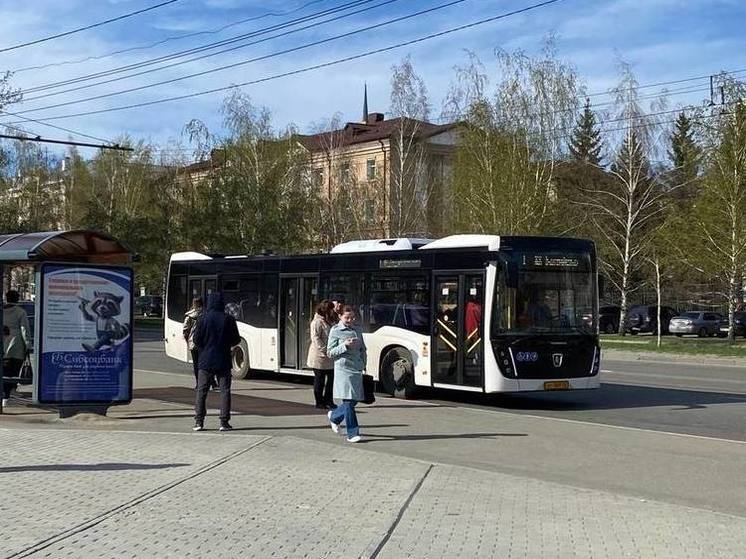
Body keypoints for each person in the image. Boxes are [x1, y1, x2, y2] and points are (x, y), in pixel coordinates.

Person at [192, 292, 241, 432]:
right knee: (225, 391)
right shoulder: (228, 319)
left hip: (205, 360)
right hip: (223, 360)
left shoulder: (202, 318)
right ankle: (224, 422)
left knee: (202, 391)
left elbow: (196, 340)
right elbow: (236, 339)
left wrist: (205, 347)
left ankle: (199, 422)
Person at [326, 305, 366, 443]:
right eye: (346, 317)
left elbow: (363, 349)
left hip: (356, 368)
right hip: (343, 369)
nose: (350, 320)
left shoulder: (358, 330)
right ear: (340, 317)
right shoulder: (335, 331)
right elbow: (330, 352)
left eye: (352, 317)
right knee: (348, 401)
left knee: (354, 400)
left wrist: (363, 363)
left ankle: (335, 416)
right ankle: (352, 433)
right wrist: (345, 345)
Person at [307, 300, 337, 409]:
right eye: (330, 308)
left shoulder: (331, 320)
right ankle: (319, 402)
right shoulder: (317, 322)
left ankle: (329, 399)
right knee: (320, 380)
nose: (332, 311)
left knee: (331, 379)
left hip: (330, 357)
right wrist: (325, 350)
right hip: (319, 356)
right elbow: (316, 339)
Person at [2, 290, 30, 407]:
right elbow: (25, 330)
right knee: (13, 372)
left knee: (4, 371)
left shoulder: (2, 311)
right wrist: (28, 345)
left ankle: (5, 395)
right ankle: (7, 396)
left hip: (3, 344)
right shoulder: (20, 312)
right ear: (17, 299)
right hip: (16, 345)